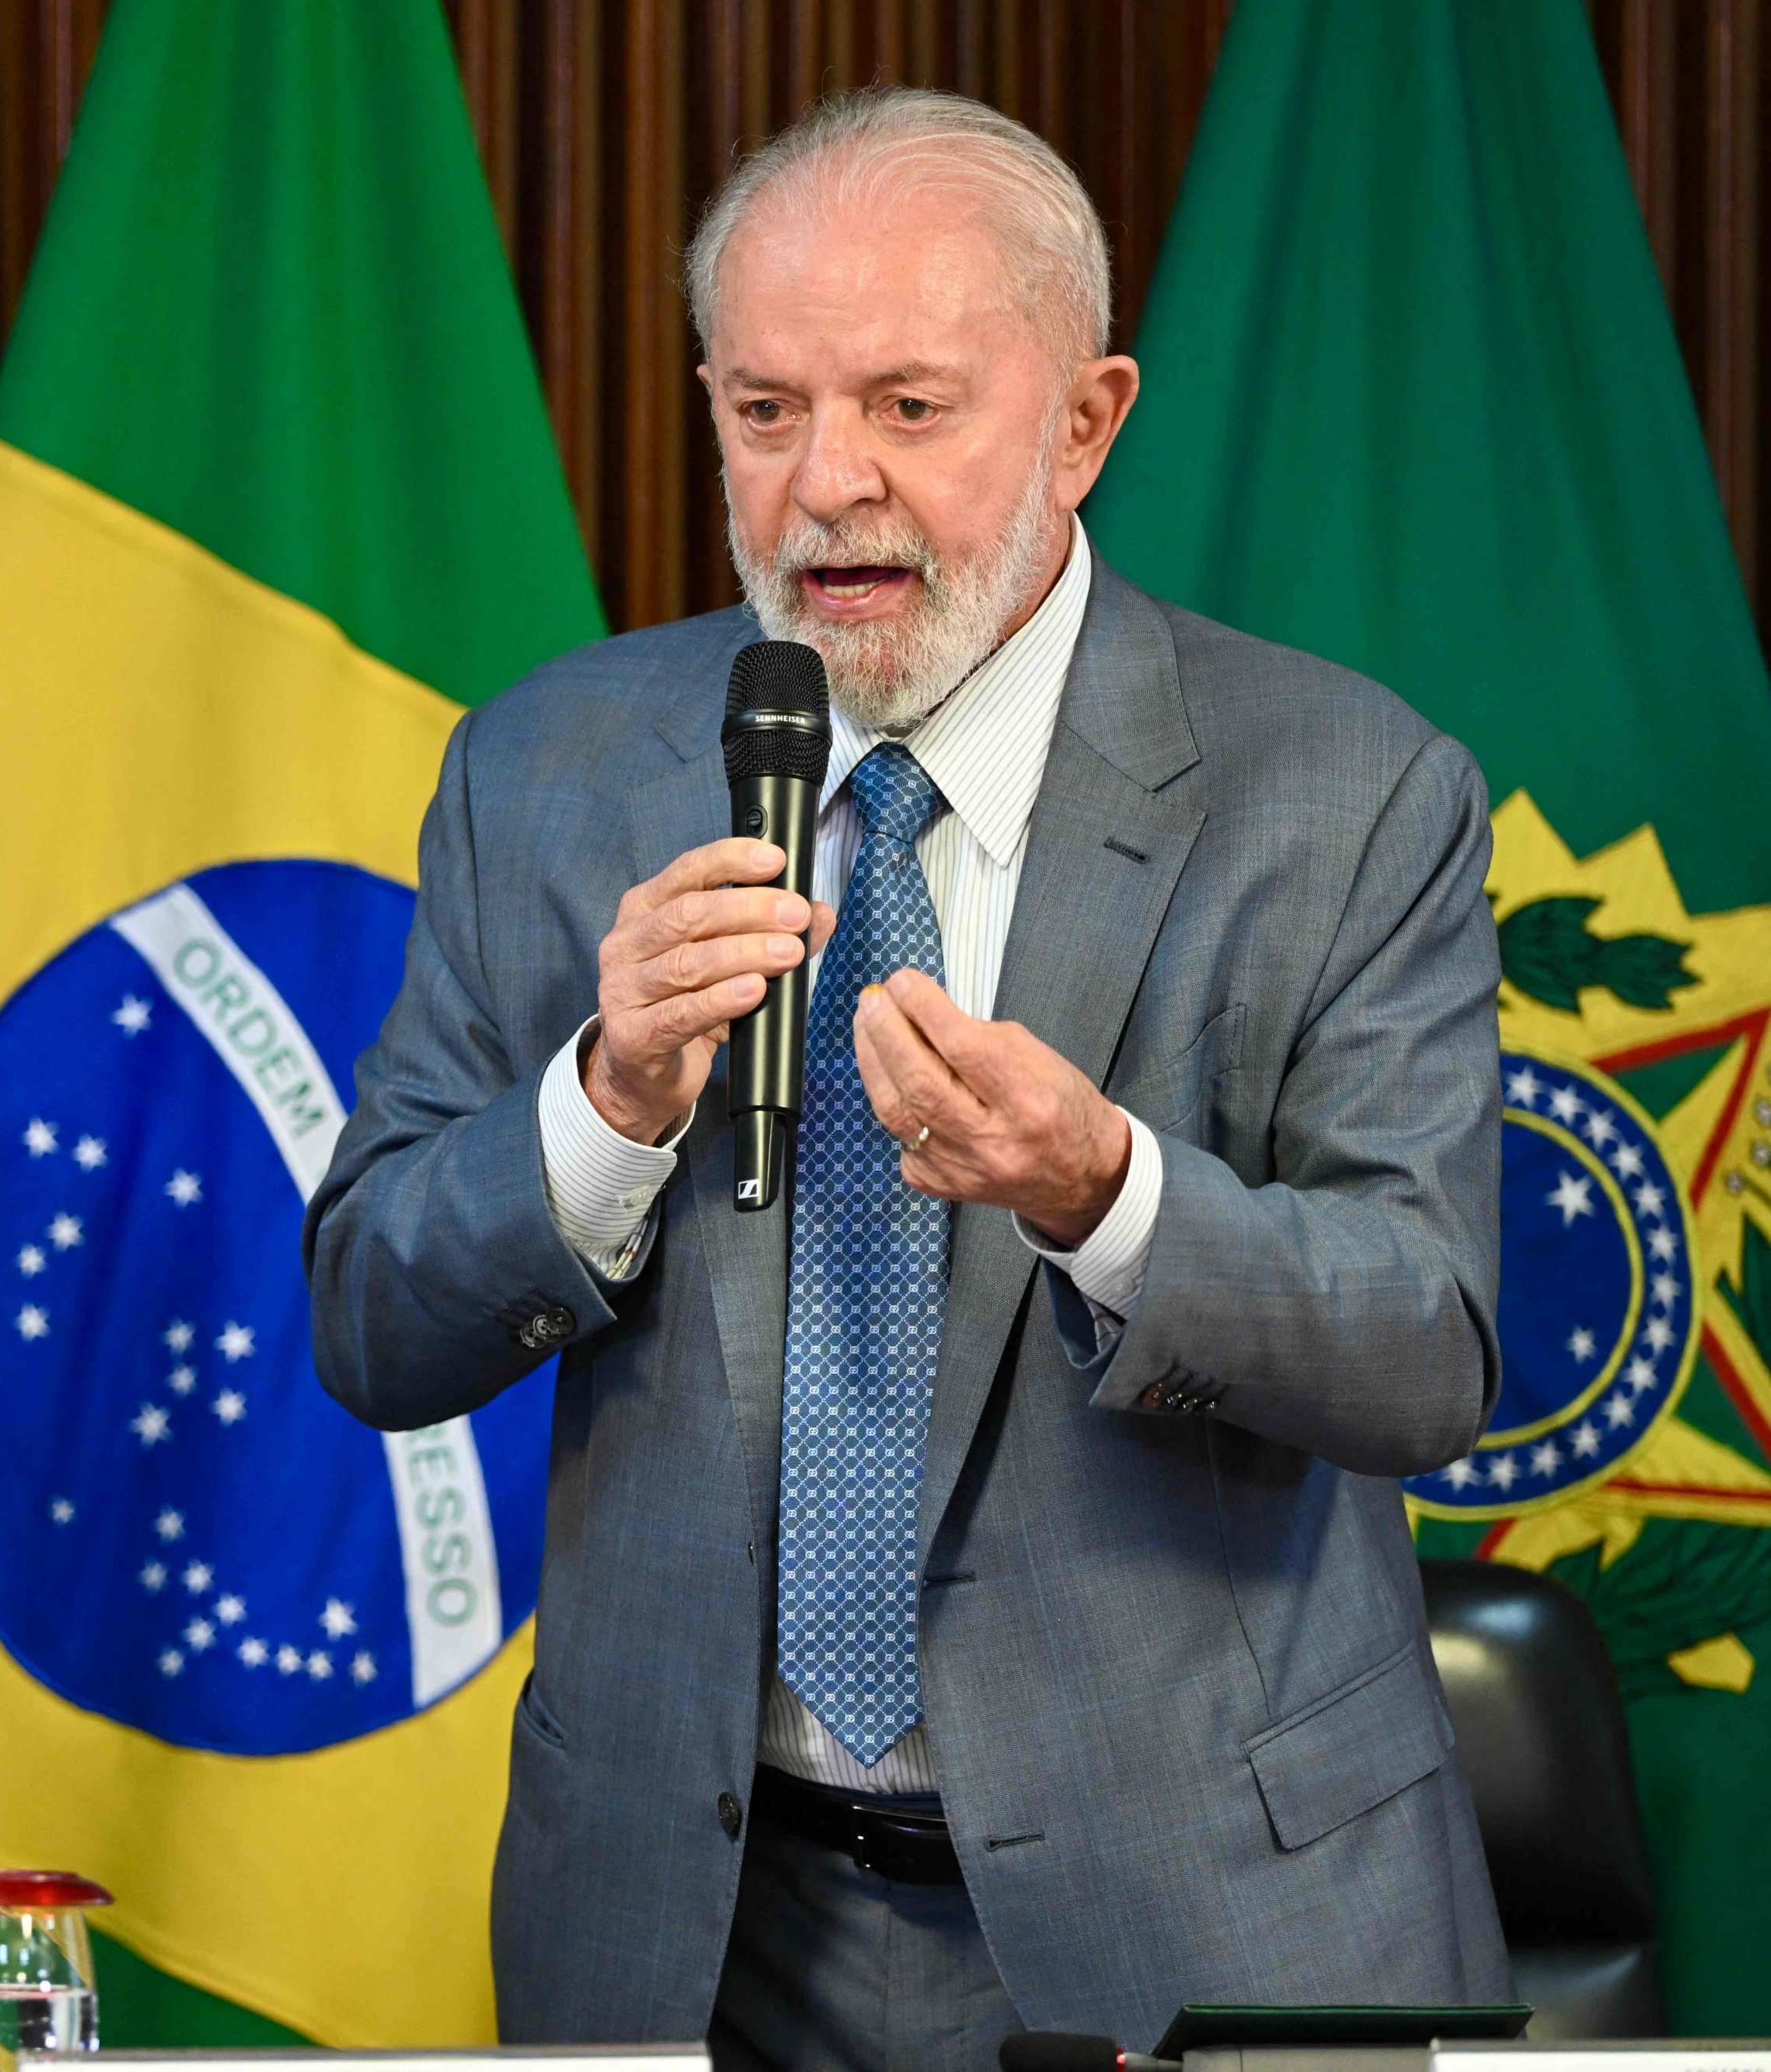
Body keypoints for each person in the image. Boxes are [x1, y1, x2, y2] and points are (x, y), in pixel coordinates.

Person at [306, 85, 1509, 2072]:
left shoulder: (1347, 790)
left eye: (905, 407)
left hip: (1205, 1903)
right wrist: (599, 1104)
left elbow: (1425, 1351)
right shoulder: (545, 768)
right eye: (762, 412)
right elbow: (367, 1320)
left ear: (1085, 419)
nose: (823, 487)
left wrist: (1101, 1190)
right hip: (689, 1923)